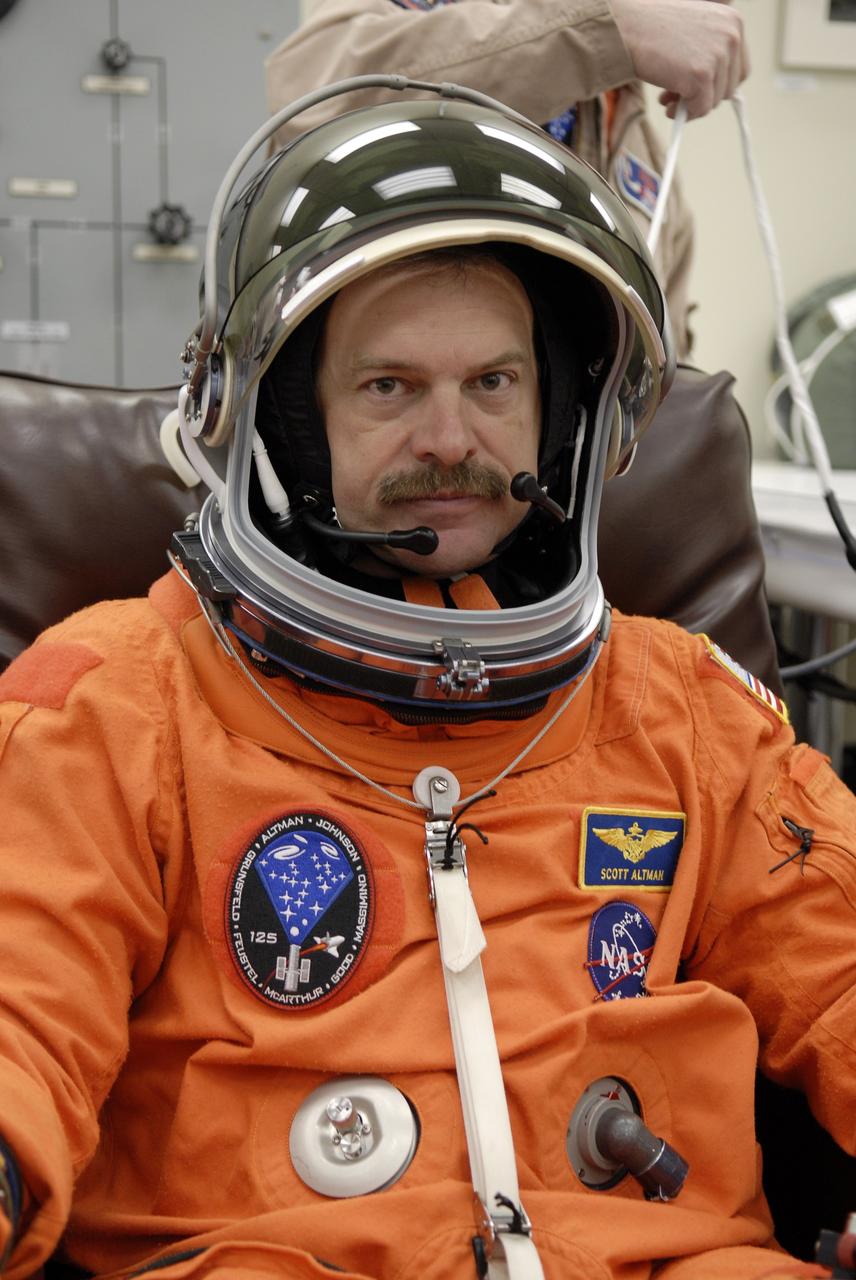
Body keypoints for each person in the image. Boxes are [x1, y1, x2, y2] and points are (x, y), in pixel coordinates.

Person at [0, 90, 849, 1280]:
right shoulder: (115, 703)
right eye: (388, 387)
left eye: (493, 384)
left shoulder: (677, 709)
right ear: (284, 418)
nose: (450, 438)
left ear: (557, 415)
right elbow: (16, 1010)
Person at [264, 0, 750, 362]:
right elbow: (310, 95)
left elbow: (668, 348)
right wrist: (604, 33)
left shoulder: (632, 130)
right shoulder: (429, 20)